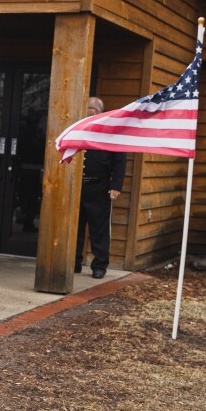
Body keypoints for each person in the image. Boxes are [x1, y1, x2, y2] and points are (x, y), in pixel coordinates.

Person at [74, 97, 125, 278]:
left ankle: (99, 265)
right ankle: (74, 262)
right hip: (78, 184)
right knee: (75, 226)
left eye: (86, 107)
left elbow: (119, 160)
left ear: (94, 111)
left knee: (99, 228)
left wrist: (116, 185)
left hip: (100, 186)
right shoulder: (79, 127)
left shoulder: (110, 132)